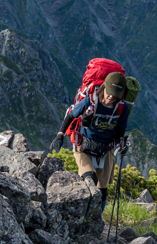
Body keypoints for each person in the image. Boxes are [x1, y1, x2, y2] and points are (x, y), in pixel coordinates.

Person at [49, 71, 132, 210]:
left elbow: (120, 132)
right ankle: (83, 216)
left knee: (102, 190)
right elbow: (70, 116)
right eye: (109, 92)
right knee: (90, 180)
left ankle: (96, 221)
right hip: (83, 146)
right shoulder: (90, 101)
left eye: (115, 95)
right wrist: (60, 135)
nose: (111, 97)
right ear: (104, 87)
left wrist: (120, 145)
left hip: (105, 150)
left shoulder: (122, 109)